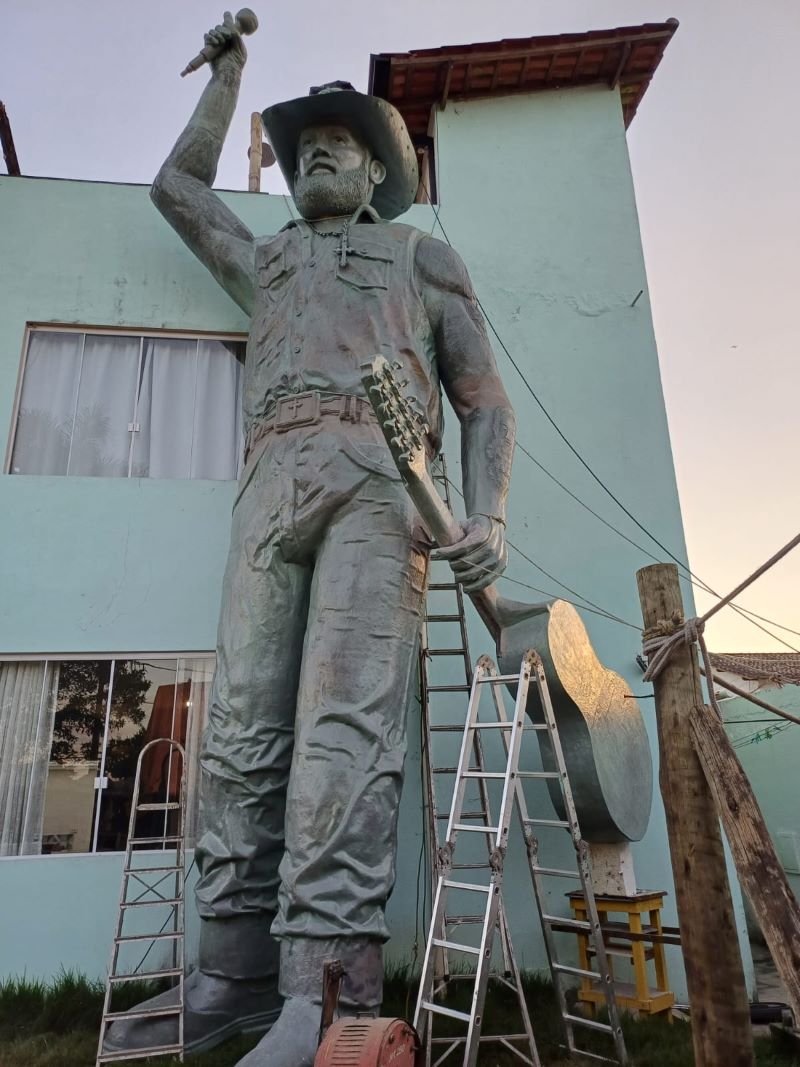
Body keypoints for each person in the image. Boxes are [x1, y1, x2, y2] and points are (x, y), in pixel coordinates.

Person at [106, 13, 516, 1067]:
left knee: (344, 725)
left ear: (380, 168)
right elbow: (175, 191)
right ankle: (229, 973)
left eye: (341, 138)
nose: (318, 149)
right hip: (268, 480)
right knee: (240, 722)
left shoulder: (422, 257)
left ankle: (321, 990)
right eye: (303, 143)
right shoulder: (268, 259)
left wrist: (486, 518)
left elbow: (482, 403)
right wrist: (225, 83)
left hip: (380, 481)